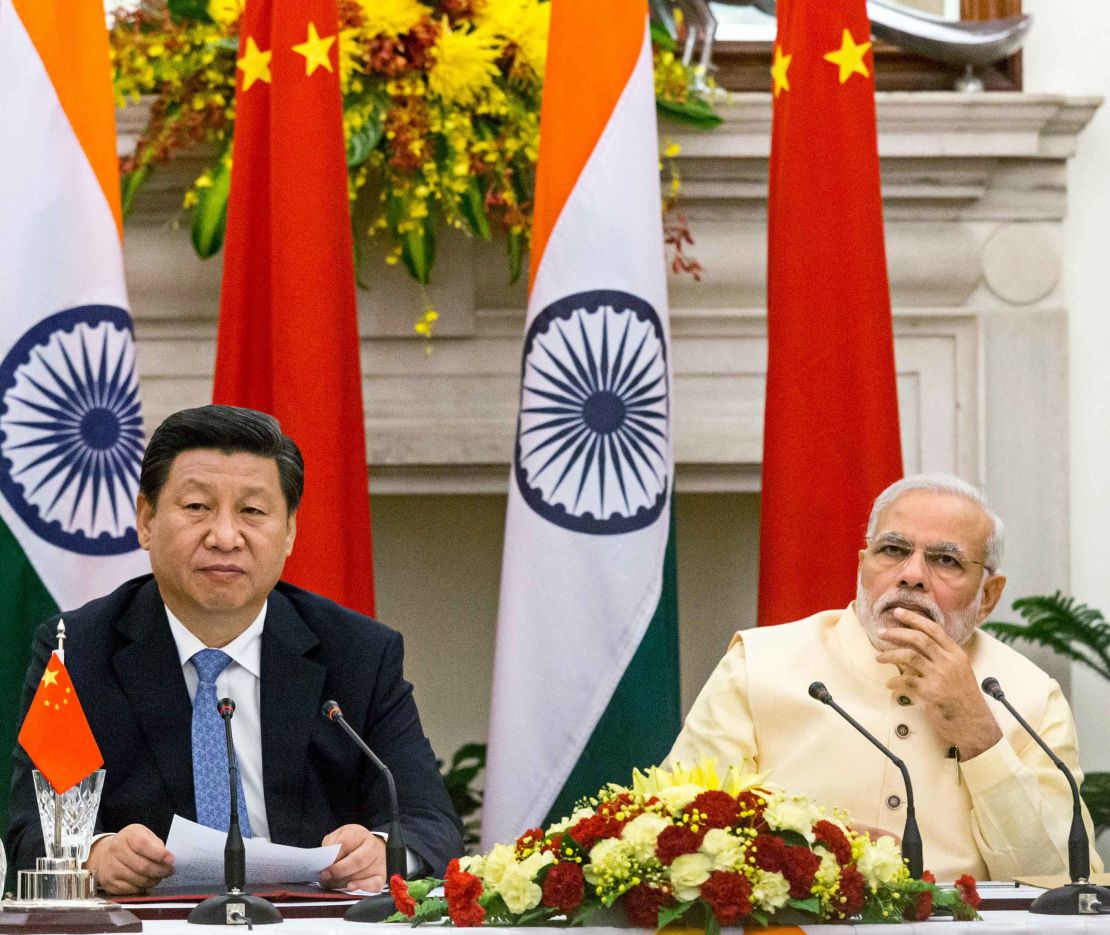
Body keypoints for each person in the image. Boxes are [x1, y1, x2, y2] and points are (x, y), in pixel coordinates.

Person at [5, 405, 463, 894]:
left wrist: (381, 849)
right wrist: (93, 854)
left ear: (288, 532)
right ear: (146, 520)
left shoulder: (358, 653)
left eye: (252, 511)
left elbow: (427, 821)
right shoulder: (76, 653)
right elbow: (33, 827)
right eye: (197, 507)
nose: (225, 537)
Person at [667, 473, 1102, 881]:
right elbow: (674, 834)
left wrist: (980, 736)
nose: (912, 575)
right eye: (893, 550)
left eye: (945, 559)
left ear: (988, 596)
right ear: (863, 565)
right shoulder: (759, 664)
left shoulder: (1028, 696)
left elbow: (1066, 880)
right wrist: (817, 847)